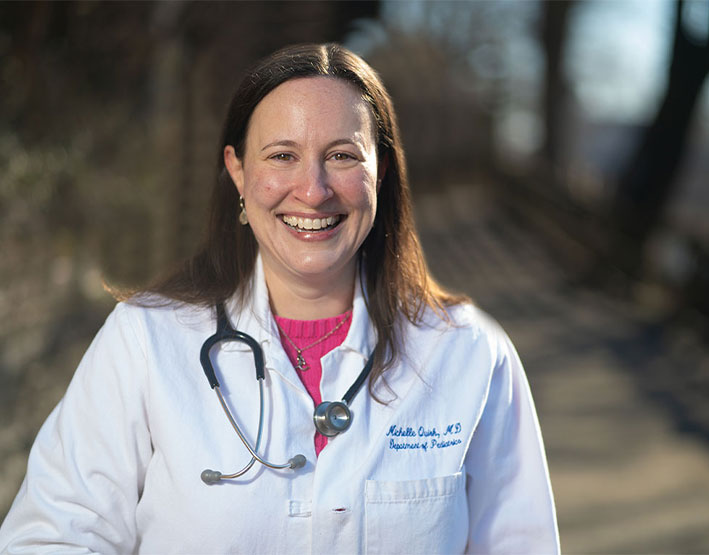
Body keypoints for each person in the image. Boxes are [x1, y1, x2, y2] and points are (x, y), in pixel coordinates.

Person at [0, 43, 559, 554]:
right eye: (282, 156)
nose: (313, 191)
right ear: (237, 172)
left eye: (342, 155)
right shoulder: (145, 340)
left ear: (380, 172)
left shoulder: (468, 353)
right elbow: (53, 536)